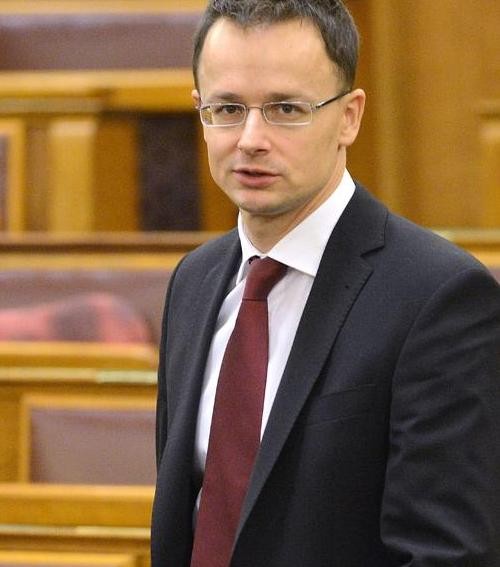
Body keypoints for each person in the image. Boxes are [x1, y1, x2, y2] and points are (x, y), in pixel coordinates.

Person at [151, 1, 500, 565]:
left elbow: (446, 553)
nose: (251, 138)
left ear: (349, 117)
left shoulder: (438, 297)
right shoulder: (194, 282)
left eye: (286, 109)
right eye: (227, 108)